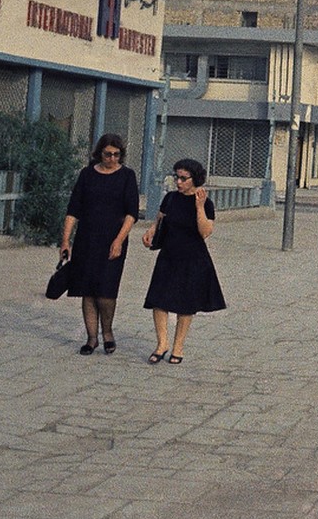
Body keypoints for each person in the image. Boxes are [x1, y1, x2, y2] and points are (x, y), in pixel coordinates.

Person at [59, 133, 139, 356]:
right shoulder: (87, 175)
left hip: (113, 240)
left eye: (116, 154)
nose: (112, 158)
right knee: (87, 290)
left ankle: (108, 333)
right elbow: (73, 209)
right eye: (108, 154)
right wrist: (66, 240)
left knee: (106, 291)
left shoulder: (127, 176)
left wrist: (119, 240)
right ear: (99, 153)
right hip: (87, 239)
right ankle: (91, 338)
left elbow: (132, 213)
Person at [141, 159, 225, 365]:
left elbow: (205, 232)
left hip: (192, 258)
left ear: (194, 179)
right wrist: (151, 230)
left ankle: (178, 347)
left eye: (183, 178)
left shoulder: (205, 202)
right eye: (176, 177)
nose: (178, 182)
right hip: (169, 255)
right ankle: (162, 344)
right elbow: (161, 218)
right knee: (158, 300)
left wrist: (198, 207)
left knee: (185, 305)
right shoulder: (170, 198)